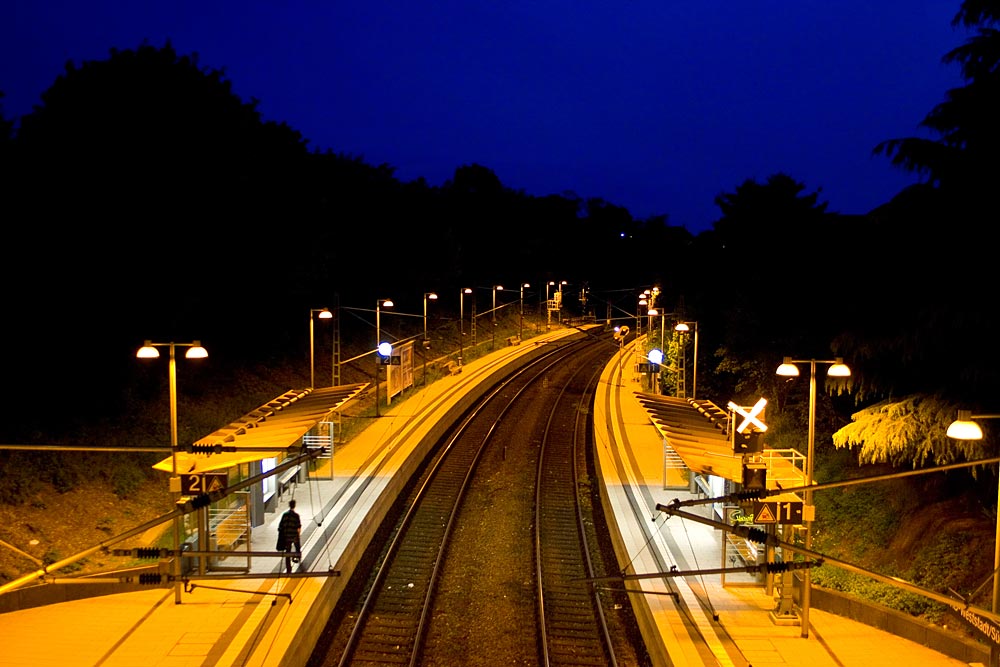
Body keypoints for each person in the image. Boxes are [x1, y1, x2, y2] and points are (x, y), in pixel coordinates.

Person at [276, 499, 301, 574]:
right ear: (294, 505)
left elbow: (280, 526)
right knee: (297, 546)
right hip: (294, 536)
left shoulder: (285, 515)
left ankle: (288, 568)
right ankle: (297, 556)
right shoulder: (296, 516)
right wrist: (297, 535)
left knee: (288, 552)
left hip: (286, 537)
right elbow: (298, 526)